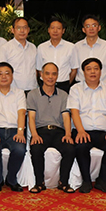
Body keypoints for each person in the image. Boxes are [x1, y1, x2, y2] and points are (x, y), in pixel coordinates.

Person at [69, 58, 106, 194]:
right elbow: (74, 112)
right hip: (82, 130)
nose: (92, 72)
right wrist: (80, 131)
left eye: (96, 69)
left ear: (100, 71)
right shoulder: (75, 89)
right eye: (89, 69)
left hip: (103, 131)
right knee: (81, 145)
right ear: (83, 72)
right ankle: (86, 181)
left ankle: (102, 180)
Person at [27, 62, 75, 193]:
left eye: (54, 74)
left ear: (57, 76)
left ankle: (63, 182)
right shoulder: (32, 94)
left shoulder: (64, 95)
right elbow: (31, 117)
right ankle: (39, 183)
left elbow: (66, 117)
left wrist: (68, 134)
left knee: (70, 148)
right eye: (47, 73)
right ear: (41, 75)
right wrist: (34, 135)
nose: (50, 77)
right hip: (41, 131)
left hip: (58, 131)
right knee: (36, 148)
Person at [0, 62, 27, 192]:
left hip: (15, 130)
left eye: (7, 73)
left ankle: (11, 179)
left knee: (19, 149)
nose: (4, 77)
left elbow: (21, 113)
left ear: (12, 76)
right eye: (0, 74)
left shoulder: (19, 93)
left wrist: (20, 132)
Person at [36, 17, 78, 92]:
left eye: (58, 28)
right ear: (48, 30)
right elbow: (39, 69)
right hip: (45, 85)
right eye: (52, 28)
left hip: (63, 85)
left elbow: (74, 69)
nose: (55, 31)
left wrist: (68, 83)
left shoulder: (71, 47)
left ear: (63, 31)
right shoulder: (41, 47)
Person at [0, 17, 38, 92]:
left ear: (28, 30)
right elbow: (1, 70)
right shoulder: (5, 48)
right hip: (14, 90)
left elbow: (35, 69)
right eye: (18, 28)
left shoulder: (33, 47)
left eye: (24, 28)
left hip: (32, 89)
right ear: (13, 30)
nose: (22, 31)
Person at [73, 15, 106, 87]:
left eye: (94, 25)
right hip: (81, 87)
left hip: (102, 86)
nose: (91, 28)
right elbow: (75, 68)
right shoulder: (76, 47)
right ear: (83, 29)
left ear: (99, 28)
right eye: (87, 26)